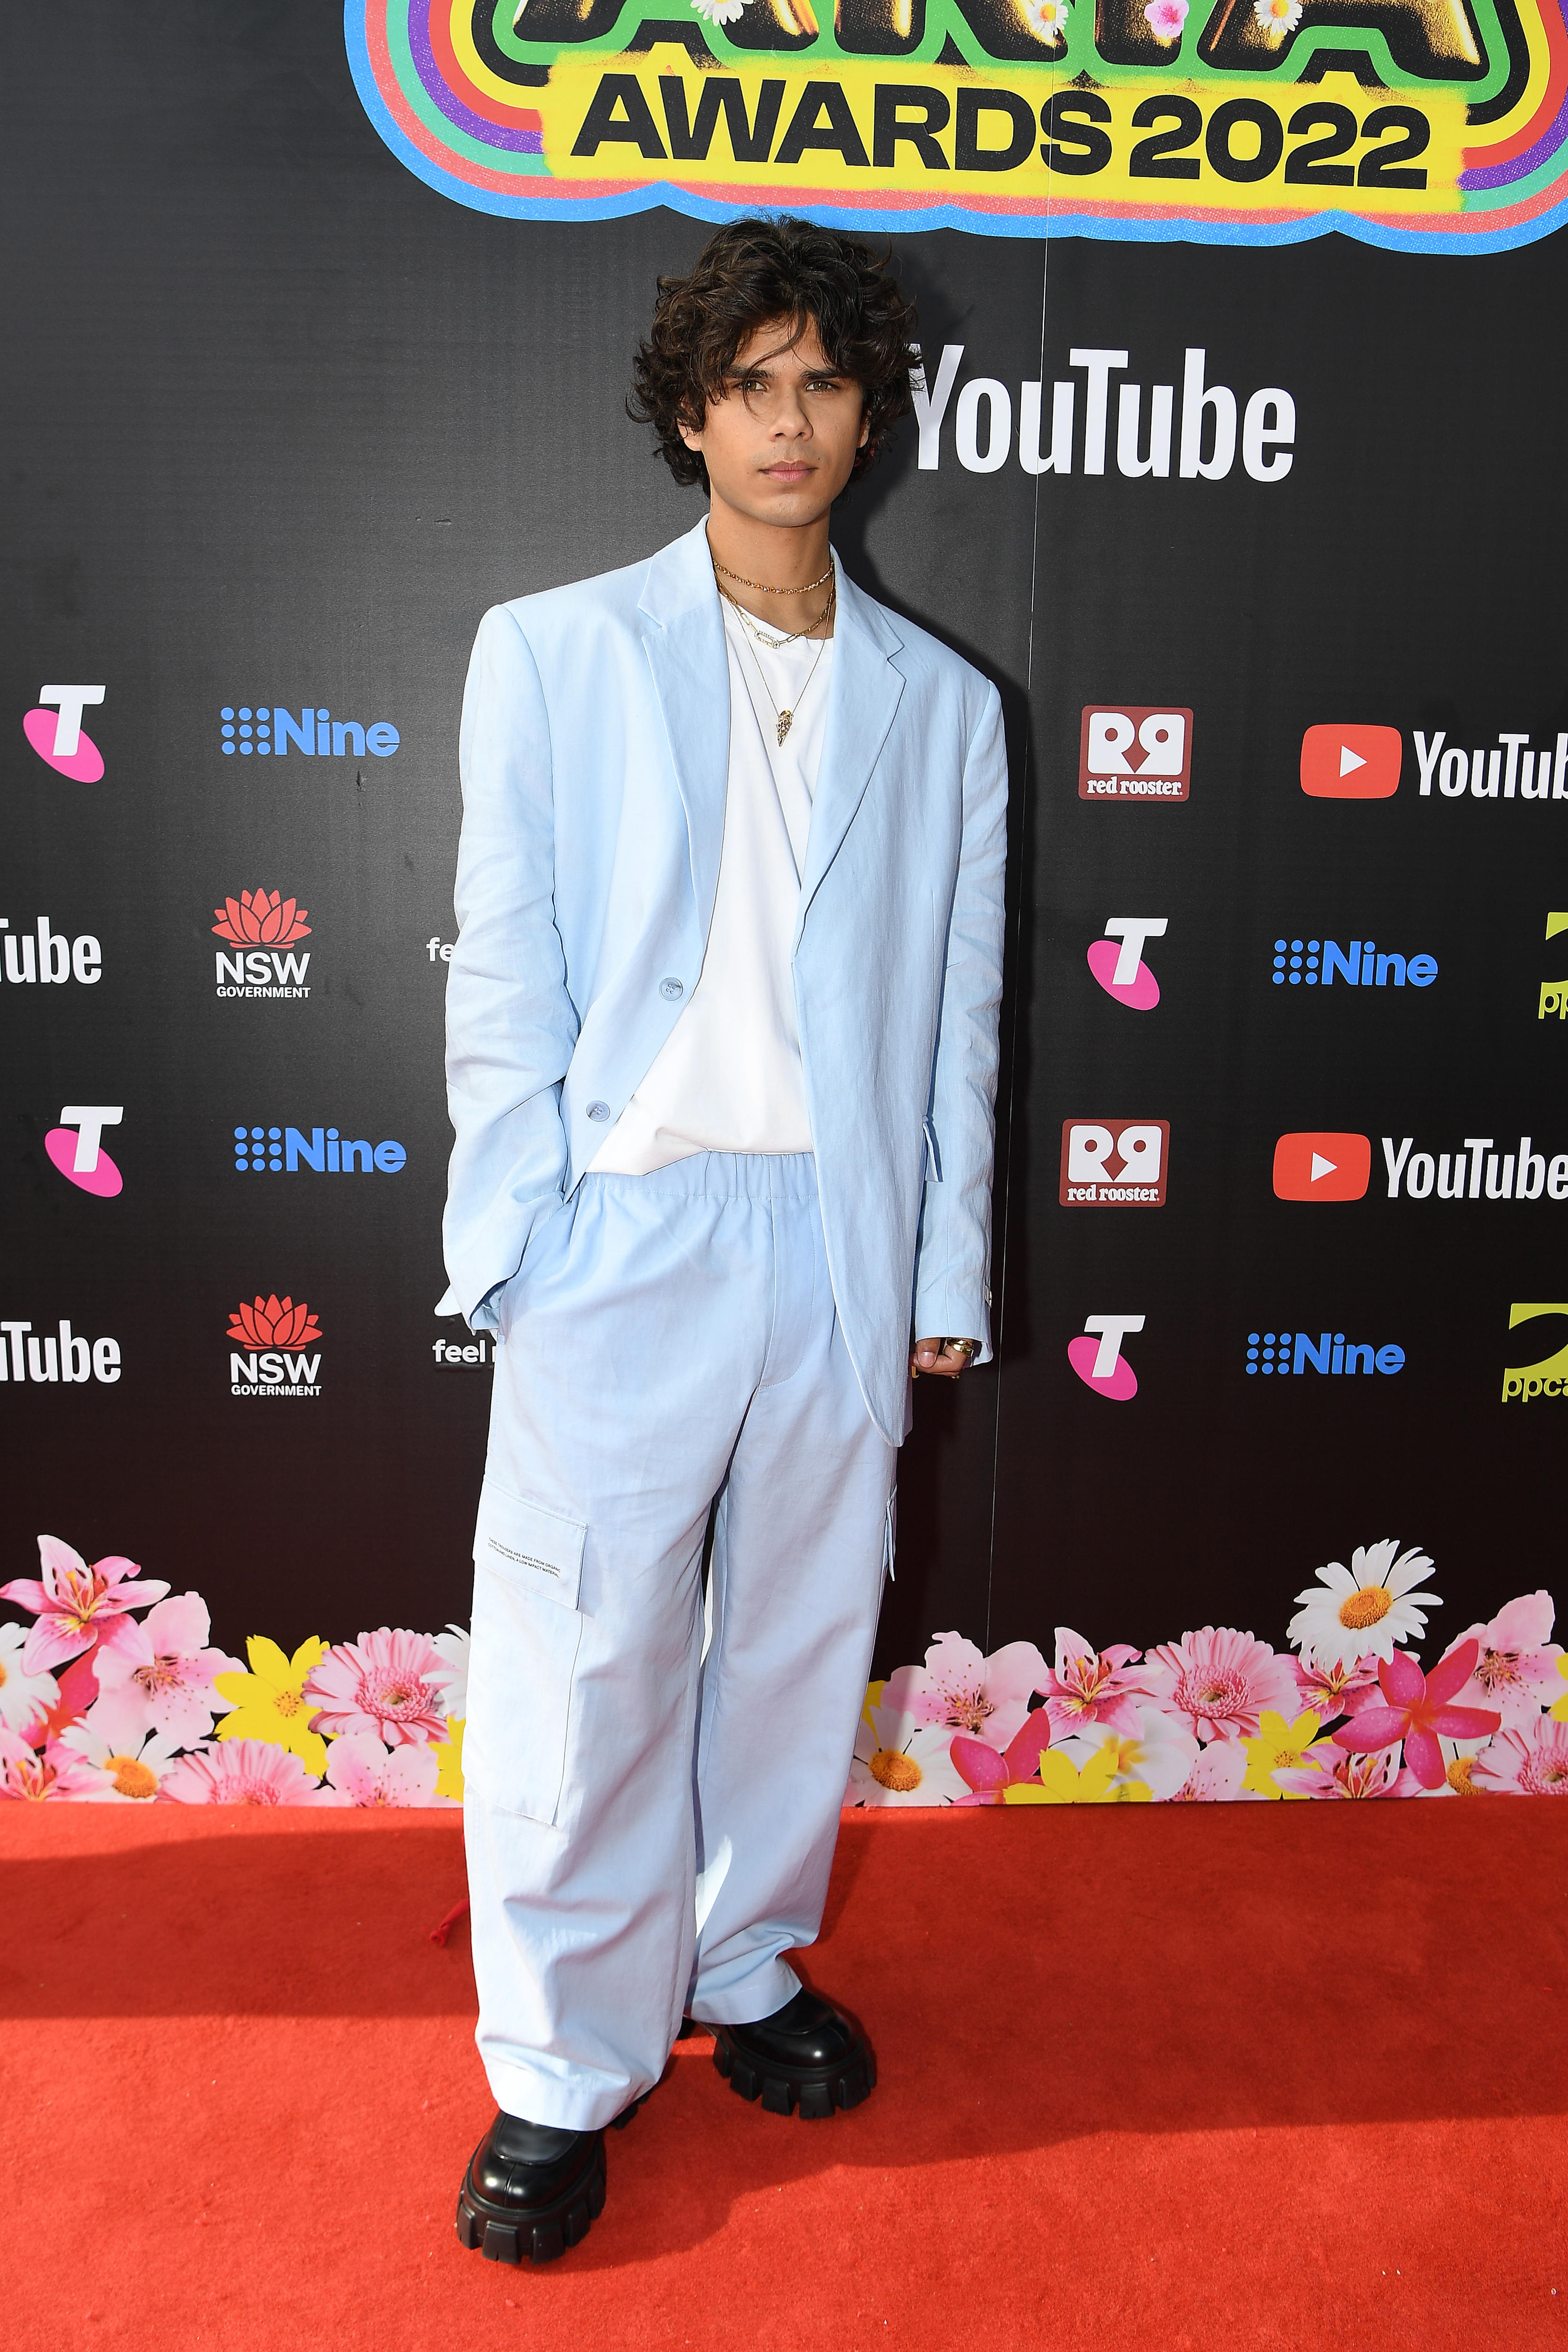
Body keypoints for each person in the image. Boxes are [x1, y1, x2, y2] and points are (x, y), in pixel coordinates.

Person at [441, 214, 1008, 2266]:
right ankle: (562, 2064)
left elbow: (955, 1014)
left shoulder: (945, 707)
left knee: (793, 1639)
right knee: (588, 1660)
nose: (790, 420)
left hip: (837, 1246)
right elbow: (505, 963)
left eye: (825, 382)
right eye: (751, 381)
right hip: (630, 1226)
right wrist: (518, 1231)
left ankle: (744, 1958)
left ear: (870, 415)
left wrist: (943, 1275)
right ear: (693, 411)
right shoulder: (558, 648)